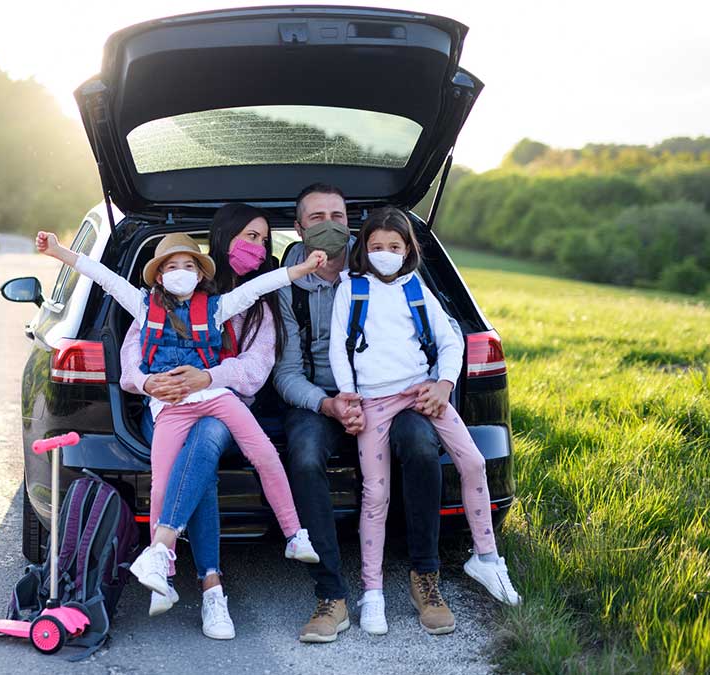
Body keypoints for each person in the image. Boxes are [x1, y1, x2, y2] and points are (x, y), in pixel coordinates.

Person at [33, 225, 325, 602]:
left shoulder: (217, 308)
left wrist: (300, 270)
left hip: (216, 398)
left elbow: (258, 288)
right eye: (171, 267)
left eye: (189, 265)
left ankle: (294, 533)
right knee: (161, 484)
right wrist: (59, 252)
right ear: (158, 276)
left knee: (265, 453)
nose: (181, 272)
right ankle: (162, 572)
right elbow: (102, 276)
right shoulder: (141, 306)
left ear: (202, 274)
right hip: (170, 409)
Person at [273, 184, 460, 642]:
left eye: (338, 214)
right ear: (298, 229)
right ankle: (331, 596)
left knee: (419, 444)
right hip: (321, 398)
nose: (330, 224)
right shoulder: (289, 284)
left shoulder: (385, 257)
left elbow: (444, 326)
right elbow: (286, 371)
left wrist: (439, 383)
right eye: (316, 217)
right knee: (304, 455)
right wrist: (329, 403)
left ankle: (425, 578)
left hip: (394, 394)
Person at [329, 206, 522, 635]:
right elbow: (338, 350)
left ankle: (486, 559)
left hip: (422, 394)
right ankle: (372, 592)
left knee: (473, 463)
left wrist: (444, 385)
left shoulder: (416, 287)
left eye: (393, 247)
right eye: (376, 246)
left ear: (407, 250)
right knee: (375, 494)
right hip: (375, 403)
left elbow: (451, 341)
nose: (384, 253)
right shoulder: (352, 289)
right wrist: (349, 395)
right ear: (363, 249)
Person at [117, 203, 290, 639]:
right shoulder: (167, 302)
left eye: (264, 241)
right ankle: (211, 586)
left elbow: (254, 370)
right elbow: (133, 351)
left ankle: (168, 556)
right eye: (250, 236)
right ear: (225, 238)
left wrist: (208, 376)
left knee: (208, 437)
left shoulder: (256, 307)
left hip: (224, 406)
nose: (259, 247)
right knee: (201, 463)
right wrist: (147, 383)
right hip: (169, 405)